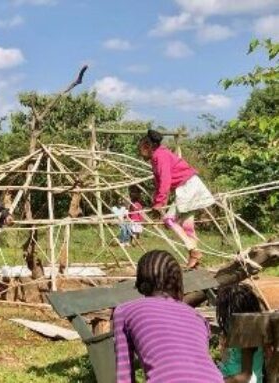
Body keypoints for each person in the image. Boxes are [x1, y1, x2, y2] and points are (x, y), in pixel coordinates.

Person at [112, 250, 223, 383]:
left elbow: (124, 375)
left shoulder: (125, 311)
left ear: (141, 281)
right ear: (178, 283)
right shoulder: (197, 317)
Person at [138, 129, 215, 268]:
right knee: (187, 226)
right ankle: (194, 259)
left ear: (147, 146)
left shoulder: (159, 156)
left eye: (141, 148)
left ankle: (194, 251)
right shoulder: (159, 156)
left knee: (169, 220)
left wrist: (159, 202)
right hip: (192, 185)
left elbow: (165, 180)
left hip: (188, 187)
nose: (140, 152)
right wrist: (158, 201)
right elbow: (159, 182)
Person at [216, 284, 264, 383]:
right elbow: (226, 359)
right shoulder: (235, 327)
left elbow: (247, 377)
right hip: (228, 374)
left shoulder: (248, 333)